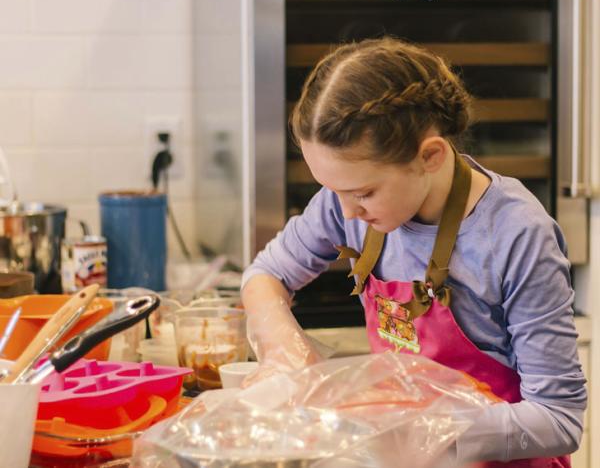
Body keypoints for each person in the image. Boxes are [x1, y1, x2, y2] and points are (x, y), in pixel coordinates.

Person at [241, 37, 587, 466]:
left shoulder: (517, 236)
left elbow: (559, 420)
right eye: (332, 190)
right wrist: (283, 348)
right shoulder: (344, 204)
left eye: (364, 192)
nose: (346, 211)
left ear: (431, 157)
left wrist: (424, 429)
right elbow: (265, 275)